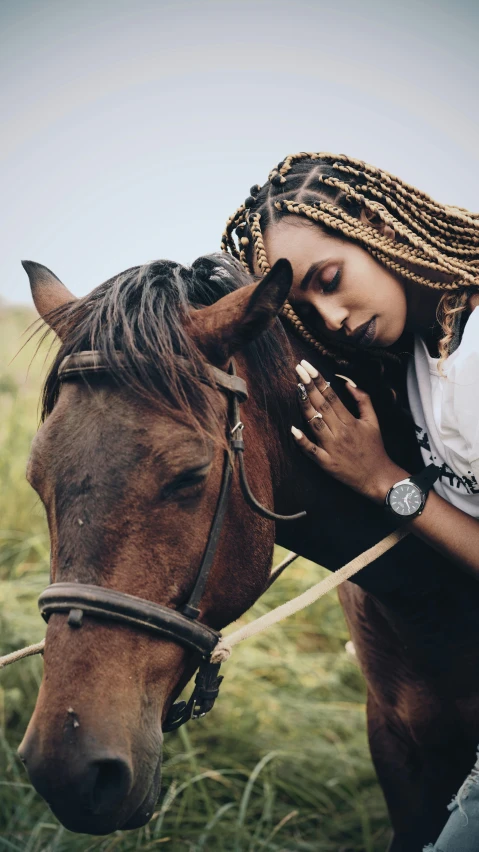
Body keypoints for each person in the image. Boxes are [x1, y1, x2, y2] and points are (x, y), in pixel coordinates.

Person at [221, 152, 479, 851]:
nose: (331, 318)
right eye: (306, 308)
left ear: (374, 227)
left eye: (328, 280)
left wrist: (383, 482)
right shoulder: (429, 346)